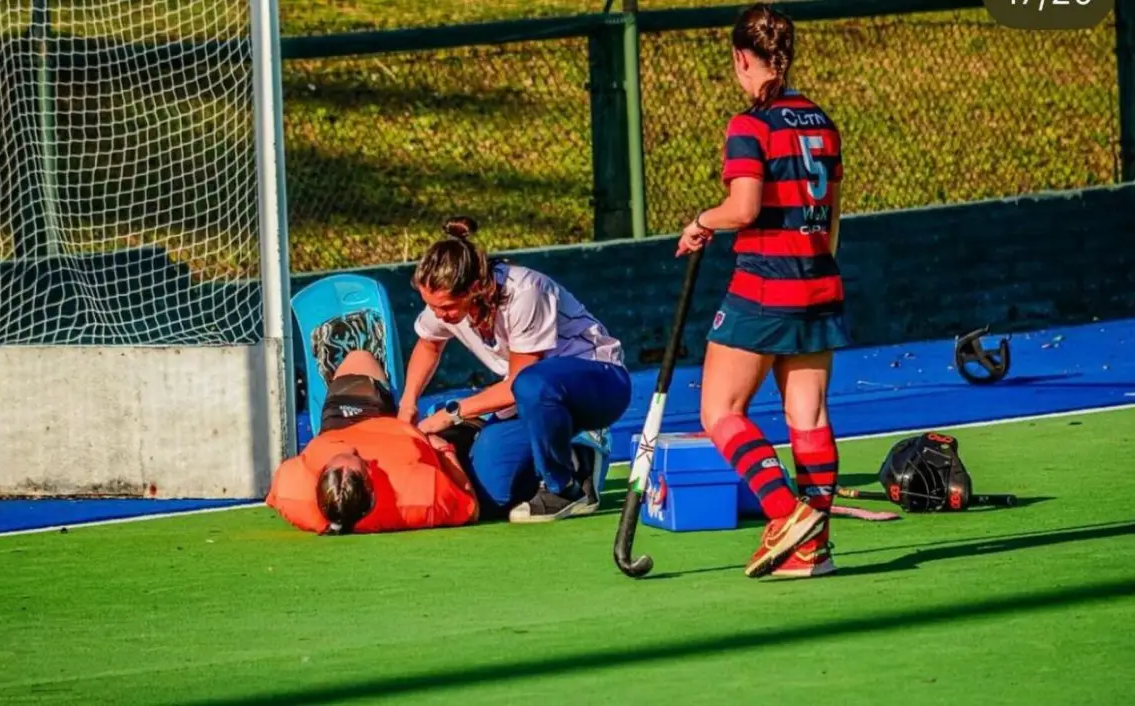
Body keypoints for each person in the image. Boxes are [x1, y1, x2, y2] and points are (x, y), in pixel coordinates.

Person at [676, 3, 848, 579]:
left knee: (720, 411)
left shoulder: (749, 125)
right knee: (809, 415)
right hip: (820, 277)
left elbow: (744, 207)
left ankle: (785, 516)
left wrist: (703, 220)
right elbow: (831, 220)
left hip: (764, 284)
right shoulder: (821, 121)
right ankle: (812, 550)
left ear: (739, 58)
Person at [398, 216, 632, 523]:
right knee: (494, 495)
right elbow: (429, 344)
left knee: (532, 384)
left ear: (475, 287)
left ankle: (564, 488)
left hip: (600, 384)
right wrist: (408, 403)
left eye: (448, 306)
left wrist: (452, 413)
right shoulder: (444, 304)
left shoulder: (525, 291)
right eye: (433, 306)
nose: (440, 315)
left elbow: (519, 382)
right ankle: (573, 455)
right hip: (533, 396)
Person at [266, 349, 480, 535]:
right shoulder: (419, 498)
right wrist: (442, 449)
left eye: (335, 459)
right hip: (411, 432)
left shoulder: (294, 494)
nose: (353, 448)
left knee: (357, 357)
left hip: (341, 423)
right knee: (471, 428)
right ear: (372, 483)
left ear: (318, 477)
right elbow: (471, 508)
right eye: (359, 457)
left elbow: (275, 495)